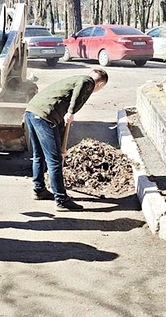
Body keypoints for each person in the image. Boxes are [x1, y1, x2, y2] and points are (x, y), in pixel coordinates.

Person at [24, 69, 109, 211]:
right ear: (100, 84)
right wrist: (71, 111)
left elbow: (60, 123)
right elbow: (82, 85)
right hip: (44, 116)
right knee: (54, 160)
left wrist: (61, 147)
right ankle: (61, 200)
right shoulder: (87, 81)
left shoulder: (72, 82)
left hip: (32, 112)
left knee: (39, 155)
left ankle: (39, 190)